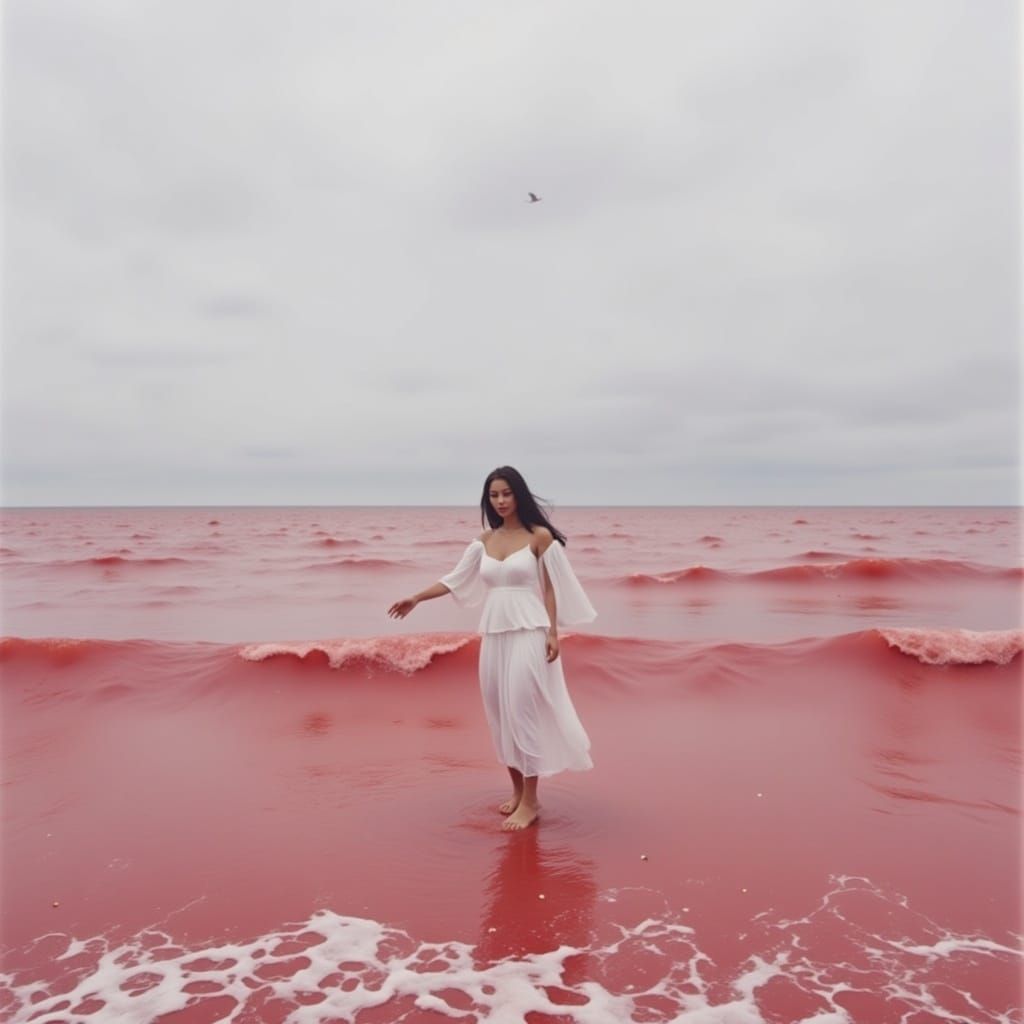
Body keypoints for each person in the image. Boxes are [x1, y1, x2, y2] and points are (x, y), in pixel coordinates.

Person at [387, 466, 596, 831]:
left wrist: (552, 633)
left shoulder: (539, 537)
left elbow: (549, 589)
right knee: (499, 712)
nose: (500, 501)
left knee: (521, 709)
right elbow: (454, 580)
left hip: (530, 629)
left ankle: (531, 802)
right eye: (494, 495)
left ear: (519, 495)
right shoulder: (483, 541)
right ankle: (517, 792)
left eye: (507, 494)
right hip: (494, 632)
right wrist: (417, 597)